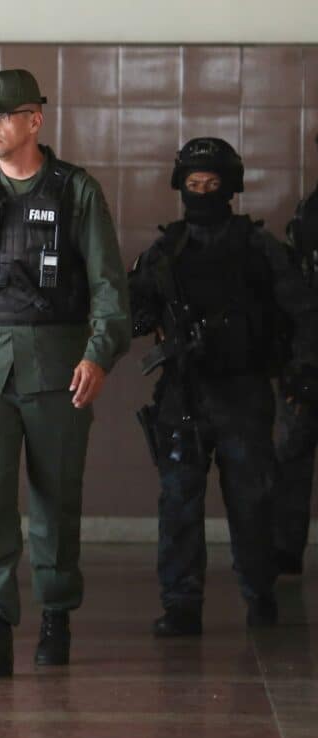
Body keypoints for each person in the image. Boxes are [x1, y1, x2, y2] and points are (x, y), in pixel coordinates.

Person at [0, 69, 131, 678]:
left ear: (34, 120)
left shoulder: (76, 191)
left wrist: (99, 353)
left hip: (57, 365)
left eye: (2, 117)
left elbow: (108, 283)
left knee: (55, 499)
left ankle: (56, 616)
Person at [129, 137, 318, 637]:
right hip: (184, 393)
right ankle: (181, 604)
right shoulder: (167, 249)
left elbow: (304, 312)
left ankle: (259, 594)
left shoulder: (260, 248)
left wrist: (302, 370)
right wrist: (146, 315)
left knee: (252, 502)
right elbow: (132, 306)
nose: (203, 193)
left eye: (212, 184)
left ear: (229, 187)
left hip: (244, 394)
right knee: (179, 502)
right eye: (194, 184)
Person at [273, 133, 318, 577]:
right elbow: (296, 302)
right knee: (291, 458)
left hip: (304, 358)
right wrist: (299, 365)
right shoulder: (308, 217)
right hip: (306, 360)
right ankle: (285, 552)